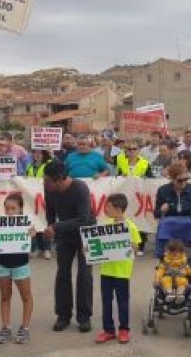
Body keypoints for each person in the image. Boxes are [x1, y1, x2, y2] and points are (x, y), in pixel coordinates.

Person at [43, 160, 95, 333]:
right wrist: (51, 229)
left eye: (48, 180)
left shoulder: (80, 188)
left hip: (86, 233)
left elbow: (83, 218)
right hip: (65, 234)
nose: (44, 182)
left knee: (84, 275)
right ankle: (63, 315)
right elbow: (50, 212)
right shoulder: (49, 189)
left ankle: (84, 317)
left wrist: (56, 227)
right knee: (62, 273)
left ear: (59, 179)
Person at [94, 194, 141, 344]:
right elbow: (96, 244)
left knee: (123, 302)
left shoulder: (130, 227)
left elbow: (135, 247)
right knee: (106, 302)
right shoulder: (104, 225)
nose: (105, 209)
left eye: (108, 207)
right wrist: (89, 250)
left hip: (122, 272)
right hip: (106, 271)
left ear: (118, 209)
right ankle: (108, 330)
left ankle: (124, 330)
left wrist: (132, 246)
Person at [0, 193, 36, 345]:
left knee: (26, 297)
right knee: (5, 297)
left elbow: (33, 249)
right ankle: (5, 328)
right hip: (2, 265)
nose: (10, 212)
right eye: (7, 209)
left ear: (20, 209)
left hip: (21, 265)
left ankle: (25, 328)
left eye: (13, 208)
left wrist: (32, 237)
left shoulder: (27, 225)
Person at [113, 140, 152, 256]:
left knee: (139, 219)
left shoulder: (145, 163)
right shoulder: (121, 161)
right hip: (124, 195)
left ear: (139, 151)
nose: (132, 151)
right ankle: (123, 243)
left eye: (134, 149)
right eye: (129, 149)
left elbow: (151, 178)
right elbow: (116, 177)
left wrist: (143, 179)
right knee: (124, 219)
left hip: (139, 196)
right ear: (126, 151)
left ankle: (140, 245)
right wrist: (121, 176)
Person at [26, 150, 53, 260]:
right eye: (35, 153)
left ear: (44, 155)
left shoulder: (49, 164)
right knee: (34, 223)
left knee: (45, 223)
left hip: (46, 198)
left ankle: (47, 249)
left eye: (40, 153)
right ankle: (35, 248)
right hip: (32, 199)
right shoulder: (29, 166)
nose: (37, 155)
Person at [154, 239, 191, 304]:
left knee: (183, 281)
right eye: (172, 251)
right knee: (165, 280)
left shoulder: (183, 263)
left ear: (181, 252)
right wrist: (157, 279)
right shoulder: (165, 262)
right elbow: (160, 271)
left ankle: (180, 295)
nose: (174, 253)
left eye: (177, 251)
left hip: (180, 278)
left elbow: (188, 269)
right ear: (168, 251)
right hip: (168, 278)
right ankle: (169, 294)